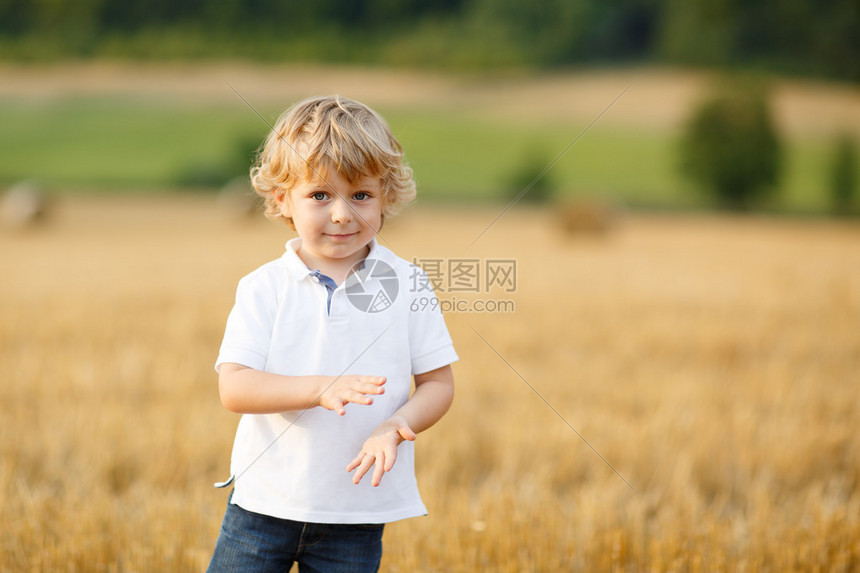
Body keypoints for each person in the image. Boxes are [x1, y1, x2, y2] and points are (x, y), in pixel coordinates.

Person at [207, 95, 458, 572]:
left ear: (386, 197)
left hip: (357, 511)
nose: (342, 214)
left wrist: (395, 427)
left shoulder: (408, 283)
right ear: (283, 199)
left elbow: (438, 384)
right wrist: (319, 389)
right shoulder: (264, 287)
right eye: (320, 195)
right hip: (264, 503)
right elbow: (234, 387)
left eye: (361, 195)